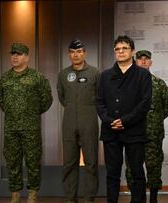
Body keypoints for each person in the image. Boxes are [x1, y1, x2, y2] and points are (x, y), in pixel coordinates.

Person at [96, 35, 152, 203]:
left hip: (134, 130)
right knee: (112, 174)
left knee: (136, 173)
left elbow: (144, 103)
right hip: (110, 130)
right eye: (117, 49)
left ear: (132, 51)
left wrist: (125, 120)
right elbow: (99, 102)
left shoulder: (142, 75)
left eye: (124, 48)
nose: (120, 52)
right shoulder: (105, 75)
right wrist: (109, 120)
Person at [0, 43, 53, 203]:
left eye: (19, 54)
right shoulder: (4, 79)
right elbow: (0, 99)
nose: (14, 57)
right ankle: (15, 193)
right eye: (12, 54)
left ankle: (33, 193)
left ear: (27, 57)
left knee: (33, 161)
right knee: (12, 161)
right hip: (11, 128)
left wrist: (32, 113)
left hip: (31, 128)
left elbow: (47, 100)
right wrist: (13, 112)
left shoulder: (37, 77)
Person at [125, 50, 168, 203]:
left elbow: (167, 107)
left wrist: (155, 120)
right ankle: (136, 198)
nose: (143, 62)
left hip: (153, 134)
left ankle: (153, 198)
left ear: (151, 62)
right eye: (140, 59)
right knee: (132, 167)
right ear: (135, 61)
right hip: (132, 133)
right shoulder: (127, 84)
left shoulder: (159, 84)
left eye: (146, 59)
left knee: (154, 167)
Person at [57, 39, 100, 203]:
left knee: (91, 162)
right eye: (73, 52)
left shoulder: (95, 73)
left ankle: (89, 198)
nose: (76, 55)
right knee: (69, 162)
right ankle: (70, 197)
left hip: (88, 120)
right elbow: (62, 97)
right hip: (68, 121)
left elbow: (100, 96)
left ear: (85, 53)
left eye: (79, 51)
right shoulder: (63, 74)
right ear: (69, 54)